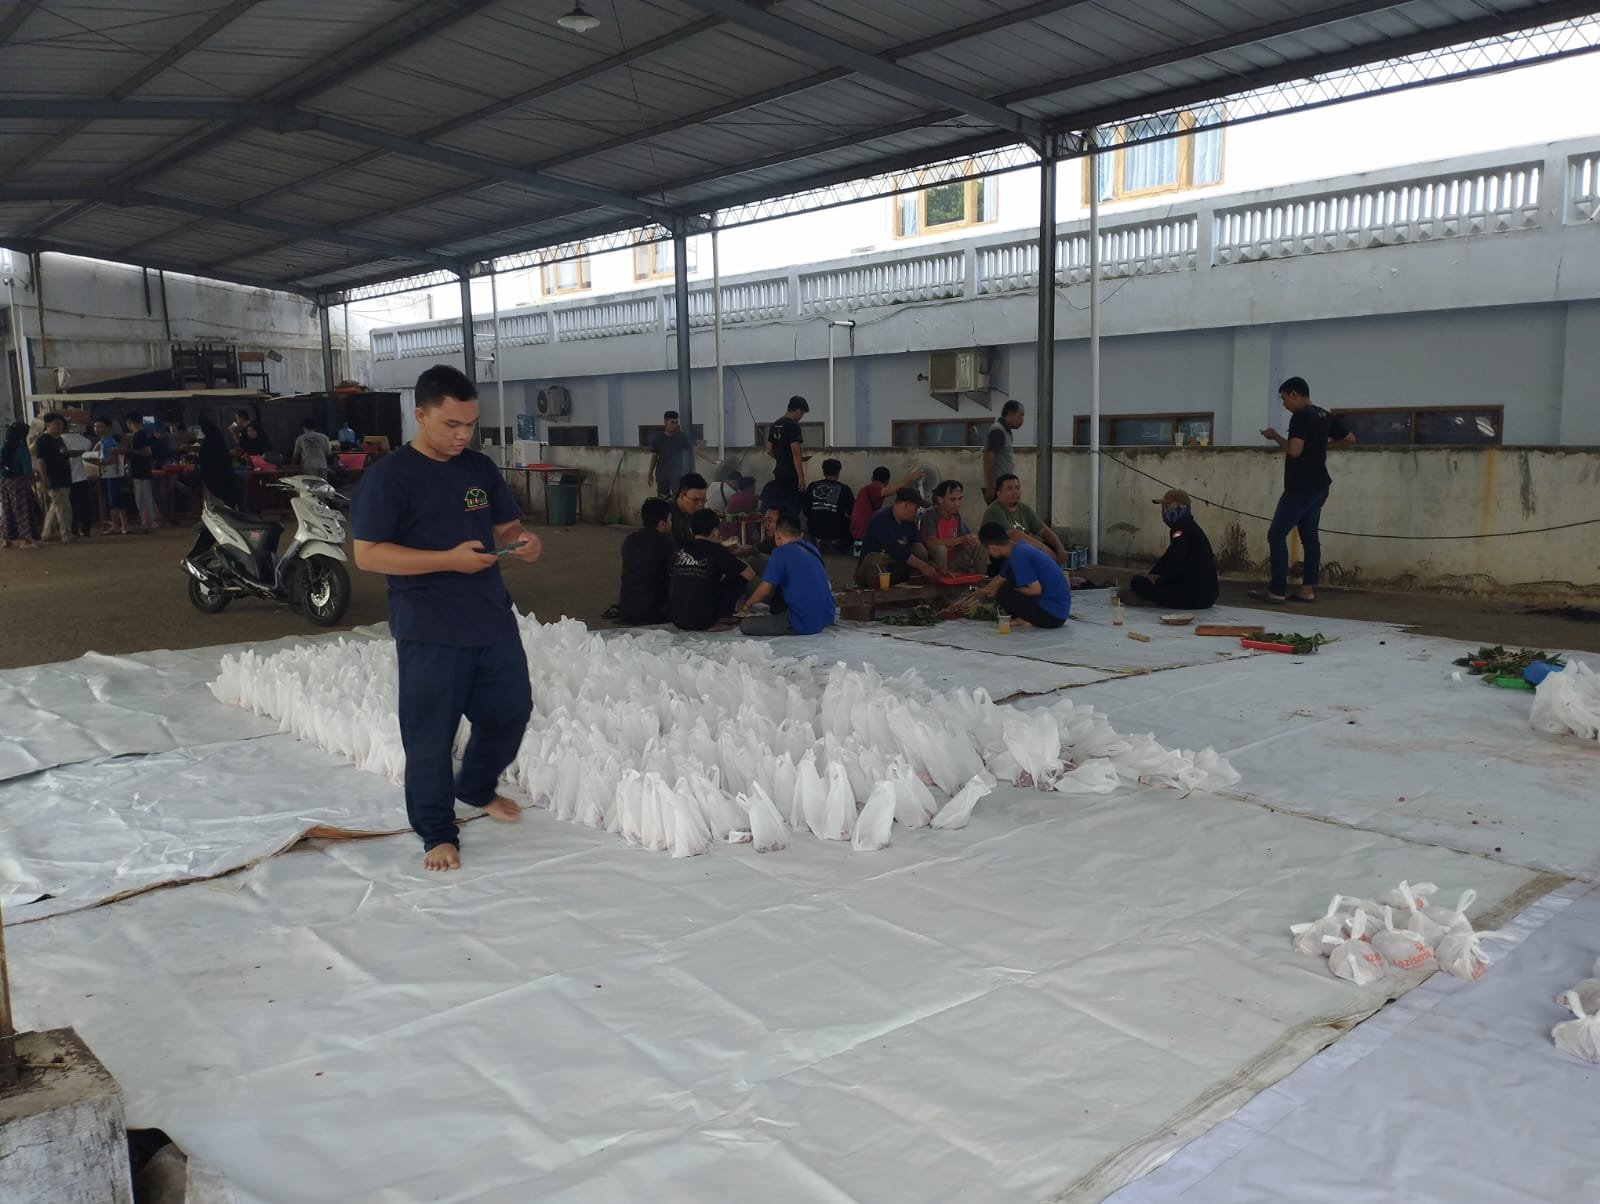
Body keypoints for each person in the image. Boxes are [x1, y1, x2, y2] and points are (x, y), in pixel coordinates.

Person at [350, 364, 542, 872]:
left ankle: (476, 785)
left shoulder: (478, 469)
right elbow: (368, 554)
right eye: (450, 425)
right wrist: (446, 560)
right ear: (420, 415)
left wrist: (521, 543)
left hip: (490, 618)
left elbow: (505, 525)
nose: (462, 436)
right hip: (429, 627)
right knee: (430, 737)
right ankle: (437, 832)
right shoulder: (391, 477)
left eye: (470, 425)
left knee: (511, 710)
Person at [1257, 376, 1355, 603]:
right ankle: (1307, 589)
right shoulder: (1323, 414)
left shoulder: (1300, 417)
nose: (1284, 404)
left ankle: (1277, 590)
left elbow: (1294, 451)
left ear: (1294, 394)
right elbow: (1350, 438)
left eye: (1284, 398)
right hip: (1320, 485)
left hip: (1300, 487)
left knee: (1276, 535)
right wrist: (1322, 447)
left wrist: (1275, 436)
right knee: (1310, 538)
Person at [735, 516, 837, 636]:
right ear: (800, 535)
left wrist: (747, 604)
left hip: (804, 622)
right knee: (758, 564)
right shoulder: (811, 548)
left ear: (777, 536)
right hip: (827, 616)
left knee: (746, 625)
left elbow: (763, 591)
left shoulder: (780, 553)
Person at [1128, 489, 1219, 610]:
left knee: (1138, 583)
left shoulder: (1182, 529)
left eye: (1167, 506)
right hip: (1205, 595)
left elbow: (1175, 561)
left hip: (1194, 596)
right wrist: (1152, 575)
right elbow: (1169, 557)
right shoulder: (1187, 527)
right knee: (1143, 581)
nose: (1164, 511)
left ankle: (1150, 599)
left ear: (1181, 507)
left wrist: (1158, 582)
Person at [668, 508, 753, 631]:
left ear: (691, 530)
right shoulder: (717, 550)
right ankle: (721, 618)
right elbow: (749, 574)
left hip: (676, 618)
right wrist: (733, 555)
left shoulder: (681, 548)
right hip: (703, 620)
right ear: (715, 531)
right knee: (738, 577)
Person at [977, 522, 1071, 629]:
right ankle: (1025, 617)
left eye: (987, 550)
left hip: (1052, 616)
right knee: (1007, 582)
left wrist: (1012, 589)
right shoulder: (1018, 548)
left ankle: (1026, 618)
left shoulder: (1019, 556)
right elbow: (1000, 577)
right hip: (1059, 612)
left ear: (993, 548)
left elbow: (1035, 590)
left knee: (1003, 592)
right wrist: (982, 592)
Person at [856, 487, 939, 587]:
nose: (916, 512)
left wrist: (932, 566)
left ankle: (913, 591)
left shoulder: (910, 524)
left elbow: (919, 548)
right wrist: (923, 566)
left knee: (919, 549)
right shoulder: (880, 518)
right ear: (906, 505)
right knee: (874, 559)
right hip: (870, 571)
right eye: (916, 508)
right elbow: (894, 548)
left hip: (896, 568)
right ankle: (879, 598)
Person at [980, 474, 1067, 564]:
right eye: (1010, 489)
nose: (1015, 492)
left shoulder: (1024, 508)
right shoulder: (994, 510)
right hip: (1004, 555)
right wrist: (1044, 550)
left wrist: (1060, 548)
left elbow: (1044, 531)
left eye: (1017, 488)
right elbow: (1014, 535)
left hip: (1024, 549)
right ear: (999, 493)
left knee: (1052, 546)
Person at [616, 497, 674, 625]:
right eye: (670, 520)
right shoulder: (666, 544)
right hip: (653, 613)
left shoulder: (630, 539)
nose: (671, 524)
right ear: (662, 523)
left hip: (627, 608)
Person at [920, 479, 982, 575]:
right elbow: (930, 542)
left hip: (954, 560)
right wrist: (960, 540)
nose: (957, 504)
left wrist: (969, 540)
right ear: (940, 499)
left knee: (978, 543)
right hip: (936, 564)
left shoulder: (957, 516)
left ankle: (982, 577)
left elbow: (965, 536)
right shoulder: (930, 515)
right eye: (953, 499)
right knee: (940, 548)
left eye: (960, 499)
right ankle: (941, 576)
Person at [33, 413, 75, 544]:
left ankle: (47, 533)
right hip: (53, 478)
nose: (60, 426)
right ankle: (66, 534)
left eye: (61, 423)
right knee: (64, 508)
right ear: (47, 425)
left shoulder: (59, 439)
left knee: (56, 506)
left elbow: (62, 454)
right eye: (56, 423)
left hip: (64, 477)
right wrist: (45, 477)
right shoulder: (43, 440)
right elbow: (41, 460)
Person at [764, 395, 808, 513]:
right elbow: (796, 454)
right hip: (791, 475)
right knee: (792, 508)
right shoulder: (793, 426)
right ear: (798, 410)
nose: (801, 417)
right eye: (802, 413)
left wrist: (781, 458)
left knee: (781, 507)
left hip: (779, 474)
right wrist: (801, 478)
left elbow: (769, 450)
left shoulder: (774, 425)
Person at [0, 422, 40, 549]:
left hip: (4, 480)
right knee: (22, 510)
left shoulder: (4, 446)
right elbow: (26, 467)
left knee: (7, 509)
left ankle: (6, 539)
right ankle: (25, 540)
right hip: (19, 481)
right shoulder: (21, 448)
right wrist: (32, 477)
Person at [802, 458, 855, 550]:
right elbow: (852, 511)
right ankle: (842, 549)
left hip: (814, 528)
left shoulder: (812, 486)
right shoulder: (844, 489)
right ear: (838, 472)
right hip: (836, 530)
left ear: (823, 471)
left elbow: (806, 510)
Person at [91, 418, 128, 535]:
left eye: (100, 426)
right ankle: (124, 525)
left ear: (108, 428)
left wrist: (96, 463)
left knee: (113, 501)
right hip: (113, 473)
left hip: (111, 474)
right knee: (118, 500)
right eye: (95, 426)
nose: (96, 429)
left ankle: (116, 526)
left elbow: (111, 460)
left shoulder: (107, 442)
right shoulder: (105, 441)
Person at [647, 410, 696, 498]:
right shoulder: (658, 438)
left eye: (676, 422)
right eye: (672, 422)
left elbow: (693, 450)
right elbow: (654, 456)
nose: (675, 425)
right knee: (663, 498)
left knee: (678, 497)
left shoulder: (682, 437)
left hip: (676, 475)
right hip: (661, 474)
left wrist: (711, 460)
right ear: (665, 422)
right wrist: (650, 473)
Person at [983, 400, 1025, 503]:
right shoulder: (998, 431)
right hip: (998, 487)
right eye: (1020, 415)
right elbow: (989, 457)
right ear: (1010, 414)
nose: (1022, 420)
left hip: (1004, 486)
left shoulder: (1005, 431)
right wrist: (991, 486)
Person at [123, 413, 159, 532]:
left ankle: (149, 521)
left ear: (130, 423)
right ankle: (147, 521)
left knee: (143, 497)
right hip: (140, 471)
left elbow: (147, 452)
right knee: (143, 497)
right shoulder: (140, 435)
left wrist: (129, 451)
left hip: (141, 471)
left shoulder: (140, 436)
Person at [197, 419, 242, 508]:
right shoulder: (219, 440)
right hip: (226, 474)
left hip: (215, 476)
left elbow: (204, 459)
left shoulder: (207, 444)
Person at [61, 419, 94, 539]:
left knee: (69, 505)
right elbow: (88, 445)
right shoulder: (82, 440)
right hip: (81, 476)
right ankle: (86, 529)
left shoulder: (58, 440)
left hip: (65, 478)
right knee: (84, 504)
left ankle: (73, 529)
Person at [669, 472, 709, 547]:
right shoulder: (667, 516)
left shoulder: (694, 513)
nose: (700, 505)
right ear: (682, 495)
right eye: (695, 500)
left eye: (703, 500)